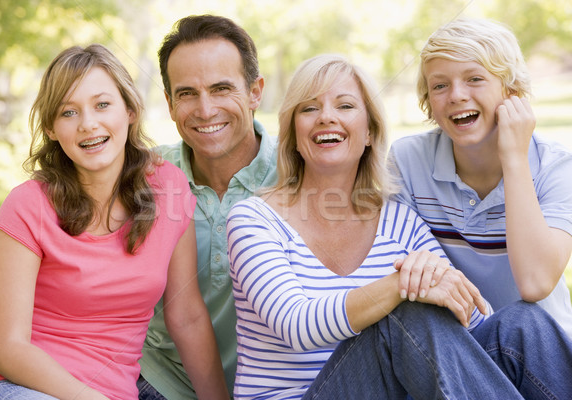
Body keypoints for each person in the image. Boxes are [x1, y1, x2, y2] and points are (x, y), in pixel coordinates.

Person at [226, 54, 572, 399]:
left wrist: (437, 281)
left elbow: (475, 316)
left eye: (345, 106)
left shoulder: (398, 220)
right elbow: (296, 325)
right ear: (293, 133)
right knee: (407, 314)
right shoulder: (254, 220)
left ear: (370, 133)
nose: (326, 117)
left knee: (523, 324)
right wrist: (401, 287)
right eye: (309, 109)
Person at [0, 44, 228, 400]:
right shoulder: (27, 205)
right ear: (50, 128)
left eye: (102, 104)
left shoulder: (168, 188)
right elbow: (7, 348)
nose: (88, 124)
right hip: (22, 388)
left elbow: (186, 316)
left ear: (130, 110)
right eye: (68, 112)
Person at [389, 18, 572, 336]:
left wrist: (514, 158)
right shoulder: (407, 160)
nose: (457, 95)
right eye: (440, 85)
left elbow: (534, 284)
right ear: (429, 102)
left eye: (475, 78)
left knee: (520, 319)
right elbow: (404, 273)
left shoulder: (556, 167)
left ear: (512, 91)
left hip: (538, 352)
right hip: (458, 349)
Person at [138, 15, 277, 399]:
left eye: (221, 88)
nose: (204, 109)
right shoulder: (143, 177)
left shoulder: (303, 169)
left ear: (254, 91)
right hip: (162, 381)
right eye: (186, 94)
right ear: (168, 103)